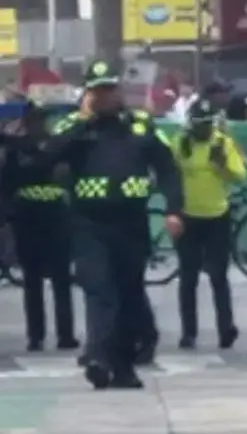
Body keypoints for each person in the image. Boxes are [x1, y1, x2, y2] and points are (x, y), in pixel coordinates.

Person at [46, 60, 183, 390]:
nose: (107, 96)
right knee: (99, 290)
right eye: (99, 90)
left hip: (131, 223)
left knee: (128, 293)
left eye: (111, 89)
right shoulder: (74, 128)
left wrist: (174, 209)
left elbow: (167, 168)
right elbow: (47, 156)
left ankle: (121, 367)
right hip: (88, 224)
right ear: (89, 94)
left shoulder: (139, 126)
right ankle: (97, 356)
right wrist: (83, 120)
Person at [0, 101, 79, 352]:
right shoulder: (32, 149)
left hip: (49, 218)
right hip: (35, 219)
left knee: (55, 281)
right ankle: (41, 336)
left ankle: (55, 335)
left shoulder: (43, 149)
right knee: (41, 281)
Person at [170, 99, 246, 350]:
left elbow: (240, 175)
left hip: (217, 217)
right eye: (199, 125)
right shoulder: (180, 143)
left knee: (218, 276)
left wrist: (222, 164)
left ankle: (226, 329)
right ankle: (188, 332)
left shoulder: (221, 143)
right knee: (188, 277)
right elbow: (169, 173)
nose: (204, 130)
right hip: (188, 217)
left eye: (207, 124)